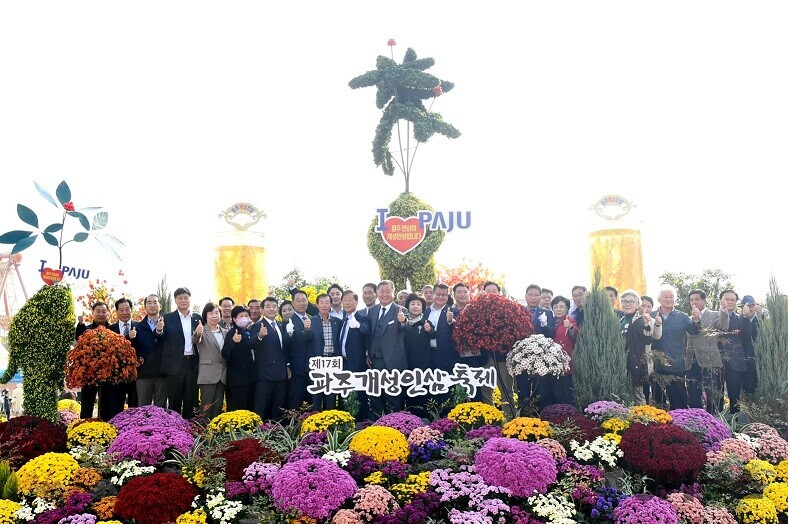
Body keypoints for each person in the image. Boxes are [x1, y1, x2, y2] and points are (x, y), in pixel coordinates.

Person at [650, 285, 701, 410]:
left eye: (671, 297)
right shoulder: (652, 315)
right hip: (656, 364)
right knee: (657, 402)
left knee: (678, 402)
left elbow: (694, 331)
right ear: (659, 299)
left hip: (676, 364)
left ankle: (680, 421)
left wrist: (696, 320)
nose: (669, 299)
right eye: (666, 297)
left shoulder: (682, 317)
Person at [366, 280, 409, 417]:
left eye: (388, 291)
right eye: (382, 291)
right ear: (377, 293)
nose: (385, 294)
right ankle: (377, 422)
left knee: (393, 397)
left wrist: (403, 321)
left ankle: (395, 423)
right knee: (376, 395)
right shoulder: (372, 311)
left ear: (393, 293)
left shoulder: (401, 310)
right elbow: (369, 334)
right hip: (374, 360)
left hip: (393, 361)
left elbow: (407, 328)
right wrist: (367, 353)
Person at [160, 287, 202, 419]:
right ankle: (174, 428)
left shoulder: (197, 318)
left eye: (186, 298)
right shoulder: (167, 318)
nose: (183, 300)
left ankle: (190, 427)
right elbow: (160, 337)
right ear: (175, 300)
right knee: (174, 400)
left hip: (192, 363)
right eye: (180, 298)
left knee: (192, 399)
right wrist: (159, 330)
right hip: (174, 365)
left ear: (190, 299)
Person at [251, 297, 290, 420]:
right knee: (262, 406)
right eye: (268, 306)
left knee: (278, 406)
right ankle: (260, 430)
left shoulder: (280, 325)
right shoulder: (257, 325)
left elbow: (283, 348)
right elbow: (251, 345)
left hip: (280, 373)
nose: (271, 309)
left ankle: (276, 429)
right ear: (262, 310)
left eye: (274, 306)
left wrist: (287, 366)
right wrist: (259, 336)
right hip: (265, 374)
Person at [685, 289, 723, 412]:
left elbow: (723, 325)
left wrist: (723, 310)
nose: (694, 302)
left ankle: (715, 420)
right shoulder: (688, 319)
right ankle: (697, 419)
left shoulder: (715, 315)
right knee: (693, 395)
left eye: (697, 299)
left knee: (712, 395)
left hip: (710, 361)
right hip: (691, 362)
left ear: (704, 300)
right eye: (691, 300)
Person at [620, 291, 660, 404]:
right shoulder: (621, 320)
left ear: (638, 304)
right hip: (622, 365)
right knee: (624, 400)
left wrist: (647, 326)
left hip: (635, 366)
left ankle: (643, 416)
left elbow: (646, 339)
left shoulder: (639, 320)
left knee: (638, 399)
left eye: (631, 301)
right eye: (624, 301)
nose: (628, 304)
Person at [336, 290, 371, 419]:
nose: (347, 303)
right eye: (344, 300)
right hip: (343, 364)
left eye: (350, 300)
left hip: (358, 364)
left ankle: (363, 422)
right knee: (345, 394)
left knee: (359, 395)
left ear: (356, 301)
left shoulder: (362, 317)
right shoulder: (343, 320)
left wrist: (358, 325)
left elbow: (367, 330)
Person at [519, 284, 555, 411]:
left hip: (541, 359)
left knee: (541, 390)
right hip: (522, 358)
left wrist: (544, 325)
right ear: (525, 296)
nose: (533, 298)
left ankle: (541, 415)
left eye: (536, 295)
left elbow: (552, 334)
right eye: (530, 295)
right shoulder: (518, 312)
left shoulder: (548, 313)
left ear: (540, 297)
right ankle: (523, 415)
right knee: (522, 389)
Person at [538, 296, 578, 408]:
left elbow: (576, 335)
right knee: (549, 396)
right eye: (556, 307)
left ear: (567, 308)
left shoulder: (570, 321)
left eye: (561, 307)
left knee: (564, 396)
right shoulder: (549, 320)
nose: (558, 309)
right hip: (548, 365)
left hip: (564, 365)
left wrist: (570, 327)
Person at [716, 289, 752, 414]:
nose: (730, 302)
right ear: (721, 300)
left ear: (736, 302)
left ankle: (735, 421)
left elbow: (747, 335)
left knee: (734, 394)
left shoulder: (741, 318)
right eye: (727, 299)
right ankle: (717, 421)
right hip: (717, 360)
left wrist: (746, 317)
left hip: (736, 361)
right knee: (716, 394)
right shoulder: (714, 316)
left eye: (733, 300)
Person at [104, 297, 139, 420]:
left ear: (131, 310)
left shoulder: (139, 327)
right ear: (116, 312)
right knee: (115, 409)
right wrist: (127, 337)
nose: (125, 312)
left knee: (135, 409)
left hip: (135, 375)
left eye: (127, 309)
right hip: (116, 376)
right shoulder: (110, 330)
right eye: (121, 310)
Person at [75, 301, 111, 419]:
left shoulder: (112, 329)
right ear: (93, 313)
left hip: (108, 376)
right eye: (98, 311)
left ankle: (106, 429)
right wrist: (80, 325)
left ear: (108, 313)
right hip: (88, 375)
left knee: (106, 408)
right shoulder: (86, 329)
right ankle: (84, 429)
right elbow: (79, 338)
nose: (101, 314)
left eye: (103, 311)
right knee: (86, 407)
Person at [310, 294, 342, 410]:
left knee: (331, 394)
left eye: (327, 302)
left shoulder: (337, 321)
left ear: (331, 304)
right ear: (317, 305)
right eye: (322, 302)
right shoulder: (311, 321)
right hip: (318, 362)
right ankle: (315, 418)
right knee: (316, 395)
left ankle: (330, 417)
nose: (324, 305)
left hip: (333, 361)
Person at [221, 306, 257, 411]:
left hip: (250, 377)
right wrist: (233, 342)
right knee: (238, 409)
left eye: (246, 315)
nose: (244, 318)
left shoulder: (248, 332)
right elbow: (225, 353)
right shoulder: (232, 333)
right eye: (241, 316)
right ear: (234, 319)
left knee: (249, 408)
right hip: (238, 380)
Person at [196, 302, 227, 420]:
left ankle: (215, 430)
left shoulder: (225, 332)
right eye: (211, 313)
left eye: (217, 313)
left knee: (218, 407)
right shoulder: (202, 330)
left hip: (222, 375)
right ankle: (202, 430)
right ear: (205, 315)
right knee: (206, 407)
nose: (214, 315)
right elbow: (195, 340)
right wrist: (198, 333)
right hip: (207, 374)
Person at [135, 294, 167, 407]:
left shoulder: (169, 325)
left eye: (155, 302)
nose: (152, 305)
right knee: (143, 409)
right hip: (144, 374)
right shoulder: (138, 327)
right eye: (149, 302)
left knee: (161, 410)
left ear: (160, 306)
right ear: (145, 307)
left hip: (163, 374)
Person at [403, 293, 432, 410]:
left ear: (422, 307)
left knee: (423, 390)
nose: (415, 306)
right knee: (408, 390)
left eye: (418, 304)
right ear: (408, 306)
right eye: (413, 304)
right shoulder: (403, 323)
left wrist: (429, 330)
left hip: (423, 364)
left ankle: (425, 415)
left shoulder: (425, 322)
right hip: (406, 363)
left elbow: (434, 335)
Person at [284, 290, 313, 410]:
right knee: (295, 402)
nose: (301, 303)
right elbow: (284, 345)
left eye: (304, 300)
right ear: (293, 303)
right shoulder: (288, 321)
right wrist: (287, 365)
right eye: (298, 300)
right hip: (296, 370)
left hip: (313, 368)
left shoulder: (313, 319)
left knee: (312, 404)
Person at [740, 294, 759, 394]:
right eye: (746, 306)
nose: (749, 309)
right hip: (742, 358)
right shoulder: (739, 319)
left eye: (751, 306)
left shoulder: (761, 320)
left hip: (757, 358)